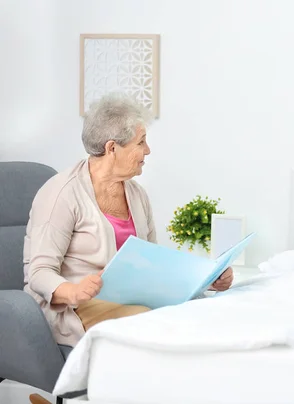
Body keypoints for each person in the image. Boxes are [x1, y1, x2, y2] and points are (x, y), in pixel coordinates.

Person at [23, 93, 234, 347]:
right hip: (77, 308)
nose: (148, 150)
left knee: (202, 313)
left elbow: (154, 263)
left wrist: (206, 281)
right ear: (112, 148)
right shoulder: (61, 194)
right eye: (141, 142)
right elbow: (39, 272)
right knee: (154, 323)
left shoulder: (136, 194)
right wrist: (74, 291)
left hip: (130, 299)